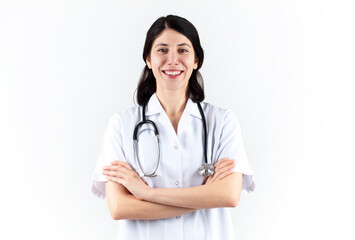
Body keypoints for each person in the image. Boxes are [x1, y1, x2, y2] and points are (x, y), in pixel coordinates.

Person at [91, 14, 255, 240]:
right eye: (162, 50)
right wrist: (205, 196)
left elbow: (228, 195)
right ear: (148, 59)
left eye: (183, 50)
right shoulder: (121, 125)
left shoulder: (222, 122)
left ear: (196, 60)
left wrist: (146, 193)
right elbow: (119, 207)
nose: (173, 60)